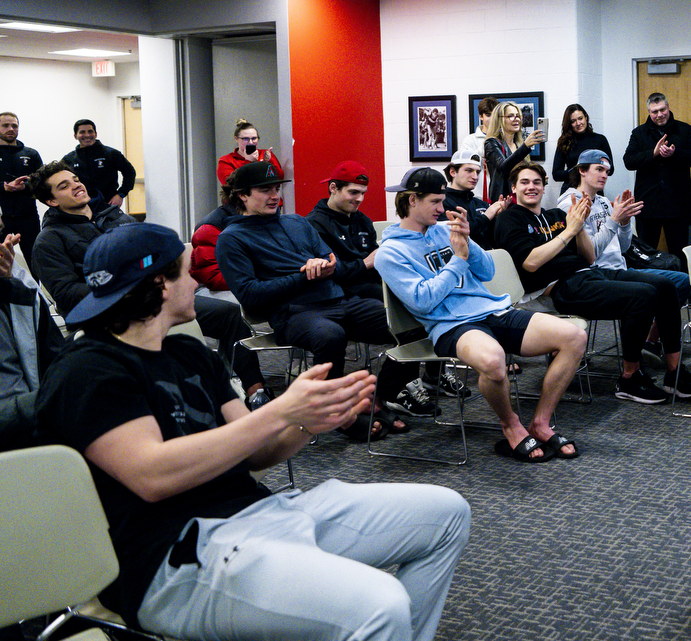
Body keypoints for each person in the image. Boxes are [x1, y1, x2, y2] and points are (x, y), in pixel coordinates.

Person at [34, 221, 471, 641]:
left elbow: (256, 452)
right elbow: (152, 476)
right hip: (173, 558)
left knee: (447, 513)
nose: (197, 285)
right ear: (159, 285)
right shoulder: (86, 369)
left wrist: (307, 421)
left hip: (256, 516)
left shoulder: (188, 352)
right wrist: (281, 410)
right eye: (187, 273)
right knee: (381, 605)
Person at [378, 166, 588, 462]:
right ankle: (511, 425)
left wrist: (468, 244)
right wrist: (459, 261)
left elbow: (488, 271)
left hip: (493, 310)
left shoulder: (444, 230)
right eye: (435, 202)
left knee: (574, 337)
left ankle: (541, 422)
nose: (443, 208)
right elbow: (423, 301)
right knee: (492, 361)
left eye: (443, 201)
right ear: (412, 200)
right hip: (451, 326)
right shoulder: (390, 252)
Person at [28, 160, 271, 410]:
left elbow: (151, 253)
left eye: (75, 179)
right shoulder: (49, 241)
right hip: (106, 314)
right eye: (64, 186)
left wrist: (155, 273)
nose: (76, 186)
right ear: (52, 201)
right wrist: (125, 286)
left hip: (154, 295)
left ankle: (256, 392)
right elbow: (66, 295)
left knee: (228, 314)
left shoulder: (114, 216)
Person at [215, 162, 428, 440]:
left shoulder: (297, 223)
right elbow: (250, 296)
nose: (274, 196)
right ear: (242, 195)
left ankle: (376, 399)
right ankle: (336, 415)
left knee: (413, 324)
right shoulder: (231, 239)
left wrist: (326, 269)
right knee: (330, 335)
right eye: (265, 190)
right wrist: (304, 276)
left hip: (338, 301)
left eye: (277, 188)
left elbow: (334, 265)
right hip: (293, 313)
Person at [496, 161, 691, 404]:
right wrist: (569, 232)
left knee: (665, 287)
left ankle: (674, 373)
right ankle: (629, 378)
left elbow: (590, 256)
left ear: (544, 187)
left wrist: (579, 226)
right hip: (560, 287)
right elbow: (530, 263)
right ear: (514, 188)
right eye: (525, 182)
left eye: (537, 182)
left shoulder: (556, 215)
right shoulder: (510, 219)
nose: (532, 187)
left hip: (590, 272)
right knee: (642, 296)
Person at [1, 225, 65, 450]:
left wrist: (6, 286)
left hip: (30, 428)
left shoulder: (19, 288)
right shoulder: (50, 240)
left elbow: (57, 361)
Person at [623, 92, 691, 254]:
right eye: (655, 112)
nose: (659, 115)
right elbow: (629, 161)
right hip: (648, 205)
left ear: (668, 107)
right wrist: (653, 153)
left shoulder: (685, 130)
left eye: (662, 110)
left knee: (680, 253)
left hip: (678, 205)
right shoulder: (639, 133)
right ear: (649, 112)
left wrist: (676, 153)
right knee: (646, 254)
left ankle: (682, 280)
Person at [306, 160, 382, 301]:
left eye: (363, 193)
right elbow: (331, 271)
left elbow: (376, 259)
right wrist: (365, 263)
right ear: (333, 188)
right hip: (341, 294)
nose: (360, 199)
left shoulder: (363, 221)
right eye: (353, 192)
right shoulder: (314, 224)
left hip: (371, 285)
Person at [62, 118, 136, 210]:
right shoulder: (69, 159)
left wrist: (121, 194)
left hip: (108, 206)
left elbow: (130, 172)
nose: (87, 135)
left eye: (90, 131)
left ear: (95, 134)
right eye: (82, 132)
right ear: (75, 136)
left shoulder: (111, 154)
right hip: (81, 208)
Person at [0, 111, 43, 264]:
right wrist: (4, 187)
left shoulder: (31, 154)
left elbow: (41, 182)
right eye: (5, 125)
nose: (10, 129)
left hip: (28, 217)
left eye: (14, 126)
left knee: (35, 260)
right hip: (1, 218)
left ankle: (36, 288)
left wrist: (24, 186)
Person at [482, 101, 545, 203]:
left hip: (522, 198)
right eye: (511, 116)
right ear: (499, 120)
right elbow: (504, 167)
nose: (516, 119)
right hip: (504, 200)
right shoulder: (492, 143)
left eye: (518, 116)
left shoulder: (518, 144)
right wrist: (526, 146)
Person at [442, 150, 505, 248]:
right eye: (469, 170)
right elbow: (458, 236)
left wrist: (497, 218)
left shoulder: (481, 204)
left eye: (478, 172)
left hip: (487, 259)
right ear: (453, 172)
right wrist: (486, 217)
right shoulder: (441, 203)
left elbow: (495, 240)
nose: (475, 177)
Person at [552, 103, 612, 185]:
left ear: (586, 117)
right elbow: (556, 174)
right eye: (573, 121)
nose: (578, 123)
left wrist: (593, 171)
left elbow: (611, 169)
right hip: (571, 189)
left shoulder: (600, 140)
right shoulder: (564, 141)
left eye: (580, 118)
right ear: (569, 123)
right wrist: (578, 171)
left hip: (595, 190)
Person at [217, 118, 284, 186]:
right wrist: (249, 162)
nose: (251, 142)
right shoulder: (226, 160)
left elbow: (280, 179)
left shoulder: (265, 154)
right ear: (236, 139)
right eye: (246, 139)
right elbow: (231, 185)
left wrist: (269, 163)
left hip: (270, 195)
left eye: (254, 138)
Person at [462, 97, 498, 199]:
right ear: (481, 116)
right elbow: (469, 166)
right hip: (477, 195)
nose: (492, 119)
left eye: (495, 115)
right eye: (488, 115)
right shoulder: (469, 140)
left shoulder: (505, 139)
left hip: (501, 196)